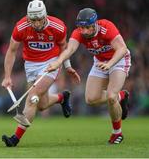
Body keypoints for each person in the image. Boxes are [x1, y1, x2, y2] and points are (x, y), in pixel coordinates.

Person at [1, 0, 80, 147]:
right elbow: (11, 51)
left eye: (39, 19)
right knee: (41, 105)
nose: (36, 23)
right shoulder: (21, 27)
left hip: (51, 63)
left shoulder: (58, 26)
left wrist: (67, 66)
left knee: (32, 97)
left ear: (44, 16)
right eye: (33, 20)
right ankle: (62, 98)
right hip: (30, 65)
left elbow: (65, 47)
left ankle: (15, 139)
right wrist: (7, 76)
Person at [47, 8, 131, 144]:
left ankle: (117, 133)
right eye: (81, 27)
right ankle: (121, 96)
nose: (84, 31)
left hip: (118, 60)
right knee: (91, 99)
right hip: (100, 61)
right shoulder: (78, 33)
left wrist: (109, 64)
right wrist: (58, 62)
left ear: (95, 24)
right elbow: (70, 49)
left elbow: (122, 48)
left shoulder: (106, 27)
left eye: (87, 27)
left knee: (110, 96)